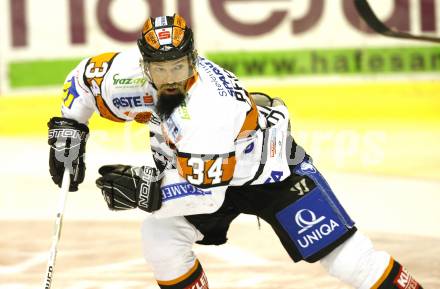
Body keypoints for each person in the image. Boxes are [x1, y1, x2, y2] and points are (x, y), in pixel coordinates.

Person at [47, 14, 423, 289]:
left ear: (193, 59)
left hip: (272, 175)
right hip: (203, 174)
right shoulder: (127, 77)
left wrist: (147, 191)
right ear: (144, 67)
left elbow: (205, 196)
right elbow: (84, 79)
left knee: (349, 261)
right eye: (160, 70)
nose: (171, 78)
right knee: (160, 239)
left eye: (179, 66)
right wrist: (70, 129)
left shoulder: (209, 109)